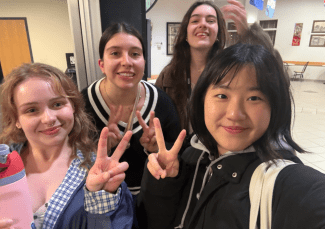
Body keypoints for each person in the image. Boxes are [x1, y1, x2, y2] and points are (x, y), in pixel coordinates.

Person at [137, 43, 325, 228]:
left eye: (254, 98)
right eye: (222, 96)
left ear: (275, 107)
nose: (235, 114)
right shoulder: (191, 156)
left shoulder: (281, 180)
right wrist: (164, 181)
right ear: (202, 99)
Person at [0, 63, 133, 229]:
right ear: (16, 119)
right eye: (32, 110)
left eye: (57, 104)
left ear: (73, 107)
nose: (48, 118)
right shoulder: (3, 167)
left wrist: (101, 199)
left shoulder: (100, 172)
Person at [81, 22, 181, 196]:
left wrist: (155, 149)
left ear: (143, 62)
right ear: (102, 64)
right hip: (103, 202)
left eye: (135, 54)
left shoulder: (162, 102)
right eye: (115, 53)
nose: (126, 62)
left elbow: (177, 156)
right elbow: (69, 162)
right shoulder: (83, 105)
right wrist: (98, 150)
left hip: (151, 200)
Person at [155, 0, 248, 138]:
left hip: (219, 151)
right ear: (185, 34)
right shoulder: (168, 75)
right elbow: (157, 119)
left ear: (218, 32)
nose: (203, 24)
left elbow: (270, 79)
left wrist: (248, 33)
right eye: (195, 21)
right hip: (177, 153)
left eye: (210, 21)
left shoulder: (230, 71)